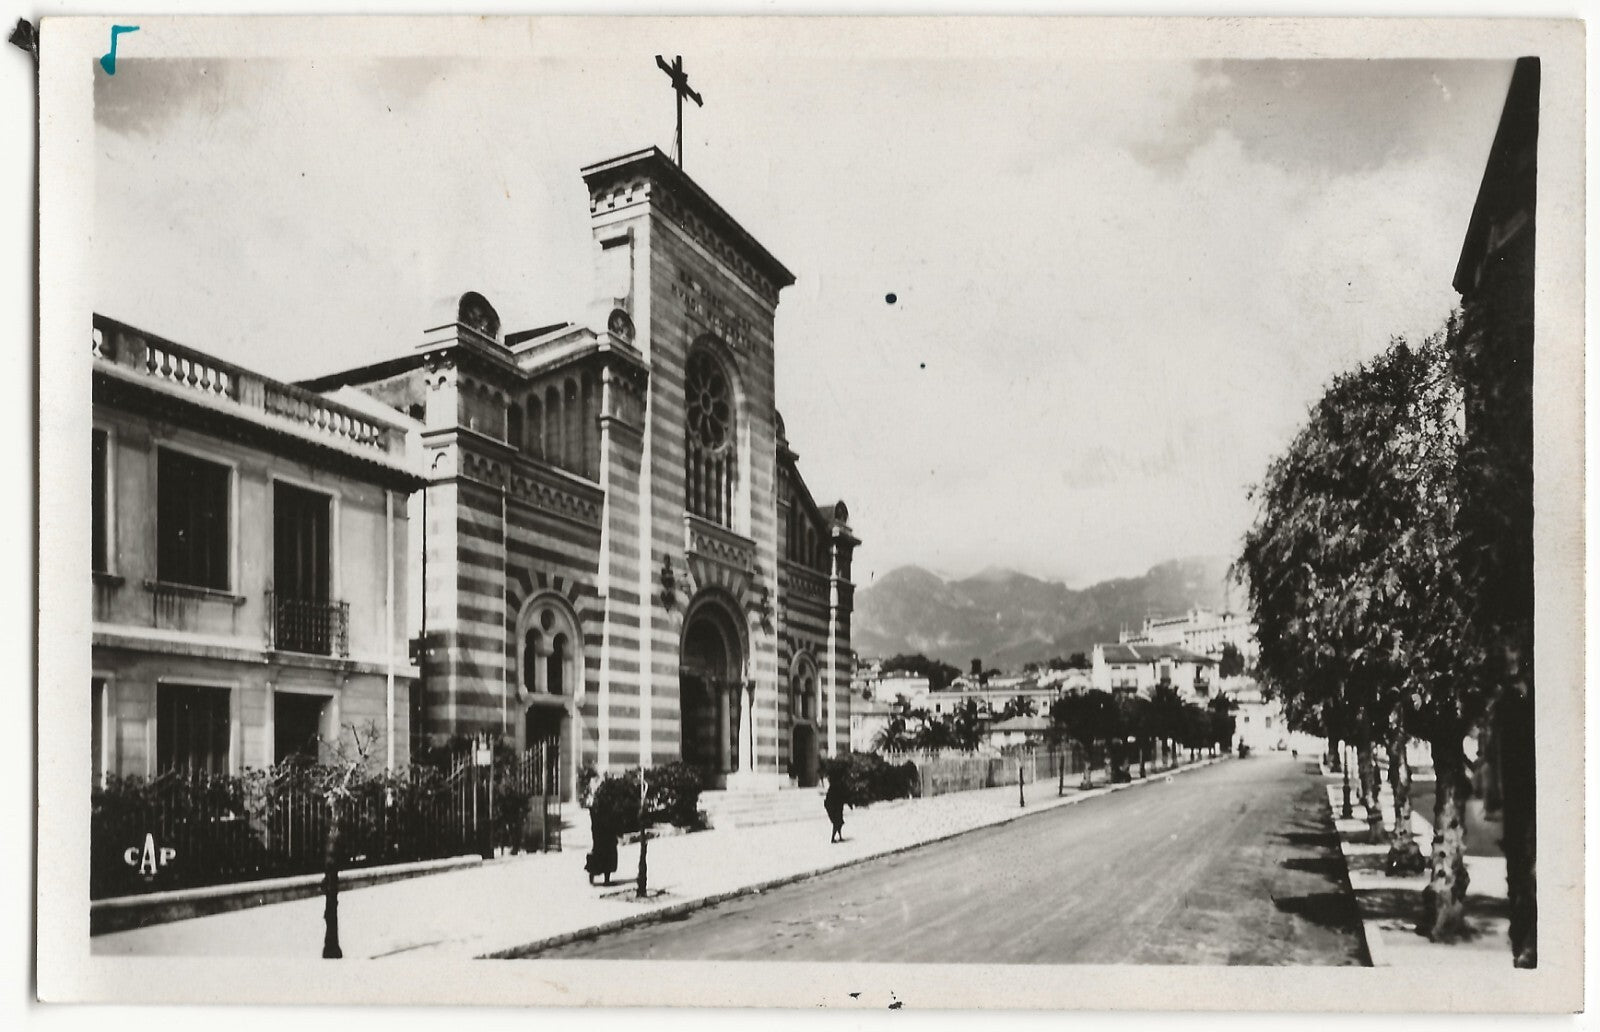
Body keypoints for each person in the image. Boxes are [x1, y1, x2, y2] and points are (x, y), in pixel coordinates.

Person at [585, 808, 618, 885]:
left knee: (598, 849)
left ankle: (592, 874)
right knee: (608, 851)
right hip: (606, 824)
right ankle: (606, 880)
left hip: (598, 824)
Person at [824, 776, 847, 843]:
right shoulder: (834, 788)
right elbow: (831, 800)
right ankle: (833, 838)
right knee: (837, 823)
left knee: (839, 823)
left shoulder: (836, 788)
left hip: (837, 808)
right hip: (834, 808)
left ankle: (839, 836)